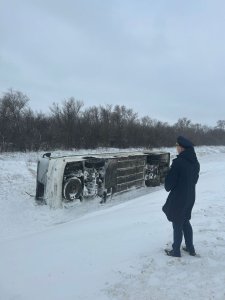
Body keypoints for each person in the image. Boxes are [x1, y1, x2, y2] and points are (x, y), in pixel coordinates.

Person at [162, 136, 200, 257]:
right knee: (185, 221)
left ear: (182, 148)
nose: (176, 148)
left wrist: (167, 174)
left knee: (177, 223)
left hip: (179, 198)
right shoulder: (195, 162)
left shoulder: (178, 163)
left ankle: (176, 251)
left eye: (177, 146)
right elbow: (194, 180)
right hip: (190, 197)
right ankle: (190, 248)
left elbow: (168, 186)